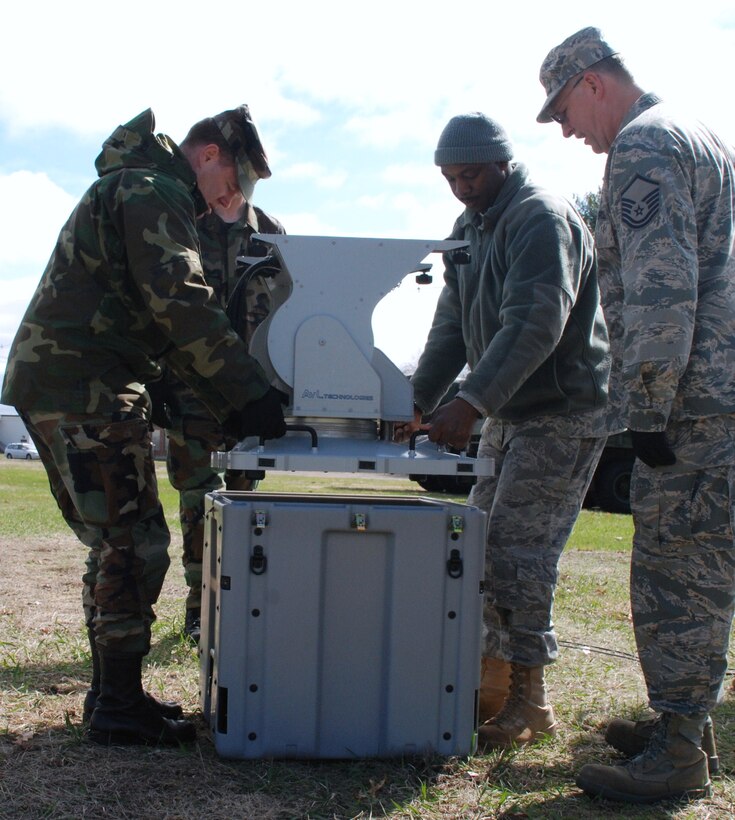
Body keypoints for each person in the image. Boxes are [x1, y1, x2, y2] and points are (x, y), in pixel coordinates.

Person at [0, 105, 288, 747]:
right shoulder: (152, 189)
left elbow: (150, 307)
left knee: (116, 543)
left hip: (78, 379)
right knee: (135, 543)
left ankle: (113, 696)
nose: (231, 201)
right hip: (83, 384)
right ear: (210, 155)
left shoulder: (139, 185)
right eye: (234, 184)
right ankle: (118, 706)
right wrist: (249, 392)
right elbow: (178, 298)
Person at [537, 26, 735, 803]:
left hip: (691, 403)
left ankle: (679, 751)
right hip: (717, 393)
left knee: (673, 573)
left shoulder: (643, 147)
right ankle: (686, 729)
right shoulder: (697, 134)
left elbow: (661, 285)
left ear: (592, 83)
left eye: (561, 111)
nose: (565, 132)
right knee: (701, 566)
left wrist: (646, 403)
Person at [394, 112, 610, 751]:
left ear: (502, 164)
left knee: (519, 554)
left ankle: (529, 702)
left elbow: (536, 323)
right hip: (511, 412)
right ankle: (488, 691)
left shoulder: (539, 218)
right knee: (476, 551)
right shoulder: (471, 227)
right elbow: (451, 326)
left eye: (470, 175)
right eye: (449, 178)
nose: (460, 188)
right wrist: (411, 398)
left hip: (563, 412)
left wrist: (470, 401)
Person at [158, 195, 285, 643]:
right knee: (197, 500)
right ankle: (199, 607)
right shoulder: (184, 222)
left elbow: (291, 306)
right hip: (192, 391)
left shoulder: (269, 231)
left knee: (244, 499)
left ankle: (239, 603)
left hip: (251, 393)